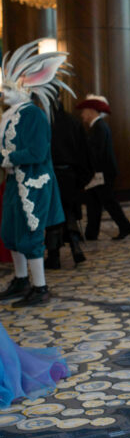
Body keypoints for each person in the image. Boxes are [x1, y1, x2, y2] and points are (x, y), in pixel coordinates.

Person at [0, 41, 69, 306]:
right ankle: (20, 280)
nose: (3, 93)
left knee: (30, 236)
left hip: (33, 184)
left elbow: (37, 153)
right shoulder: (10, 115)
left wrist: (6, 157)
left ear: (26, 86)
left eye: (8, 88)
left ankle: (40, 288)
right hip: (14, 181)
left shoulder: (34, 115)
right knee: (11, 233)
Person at [78, 95, 130, 240]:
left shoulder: (99, 127)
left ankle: (125, 227)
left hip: (102, 173)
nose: (82, 115)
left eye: (84, 111)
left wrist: (90, 171)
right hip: (100, 173)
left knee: (108, 202)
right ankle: (91, 233)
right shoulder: (97, 127)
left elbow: (96, 153)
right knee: (94, 203)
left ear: (91, 111)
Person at [45, 97, 91, 269]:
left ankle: (54, 256)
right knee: (69, 211)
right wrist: (82, 178)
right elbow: (84, 152)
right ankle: (76, 247)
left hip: (50, 174)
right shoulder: (73, 122)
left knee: (52, 215)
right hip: (70, 175)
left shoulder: (44, 122)